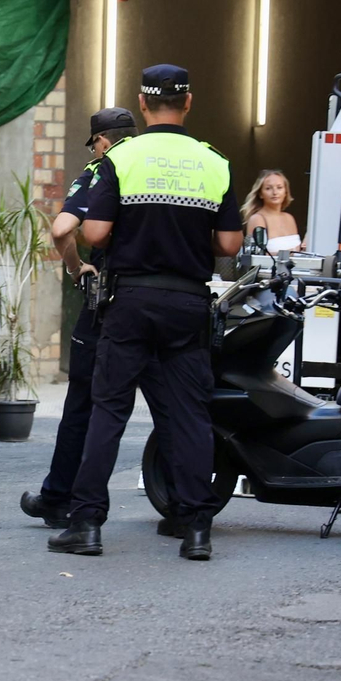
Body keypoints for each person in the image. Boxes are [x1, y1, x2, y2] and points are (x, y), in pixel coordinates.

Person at [49, 64, 244, 561]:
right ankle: (196, 526)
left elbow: (91, 235)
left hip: (130, 300)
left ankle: (87, 524)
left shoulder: (123, 156)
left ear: (142, 102)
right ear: (188, 102)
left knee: (109, 409)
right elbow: (228, 243)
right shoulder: (213, 161)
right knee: (189, 415)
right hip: (186, 302)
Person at [20, 106, 138, 528]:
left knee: (85, 405)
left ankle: (60, 499)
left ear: (102, 140)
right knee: (175, 407)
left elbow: (60, 229)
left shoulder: (100, 170)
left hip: (110, 303)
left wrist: (75, 268)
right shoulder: (157, 168)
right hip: (169, 302)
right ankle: (187, 509)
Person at [241, 169, 303, 254]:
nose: (275, 192)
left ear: (286, 192)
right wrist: (287, 255)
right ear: (260, 194)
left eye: (279, 187)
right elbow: (254, 256)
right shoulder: (257, 219)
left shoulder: (289, 218)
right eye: (268, 188)